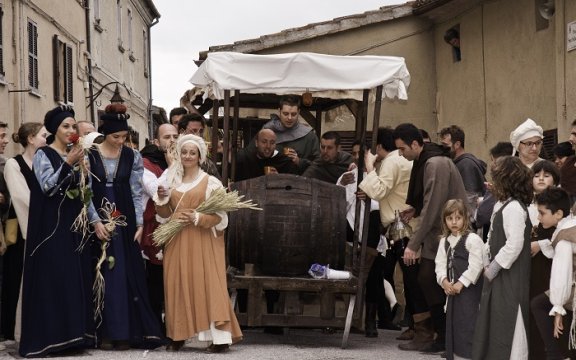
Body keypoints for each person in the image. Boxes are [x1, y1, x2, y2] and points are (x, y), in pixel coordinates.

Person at [19, 105, 96, 357]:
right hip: (52, 228)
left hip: (75, 227)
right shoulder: (44, 154)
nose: (71, 130)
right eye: (66, 126)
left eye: (74, 126)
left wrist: (96, 221)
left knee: (74, 278)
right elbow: (48, 187)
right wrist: (69, 164)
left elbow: (85, 195)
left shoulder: (77, 155)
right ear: (54, 129)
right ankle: (52, 338)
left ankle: (74, 337)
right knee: (55, 279)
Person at [154, 134, 242, 353]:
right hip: (176, 240)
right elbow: (164, 215)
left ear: (200, 156)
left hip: (203, 241)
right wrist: (162, 198)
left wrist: (197, 218)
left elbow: (221, 219)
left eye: (193, 152)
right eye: (184, 152)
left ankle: (219, 338)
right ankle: (177, 335)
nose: (187, 156)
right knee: (177, 284)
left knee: (208, 285)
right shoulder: (171, 180)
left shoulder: (211, 183)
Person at [89, 103, 163, 350]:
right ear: (104, 133)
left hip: (124, 218)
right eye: (115, 137)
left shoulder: (133, 156)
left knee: (122, 274)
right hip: (97, 215)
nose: (121, 141)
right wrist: (94, 220)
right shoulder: (89, 154)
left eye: (124, 137)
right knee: (101, 273)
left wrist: (140, 222)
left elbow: (134, 191)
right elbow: (85, 192)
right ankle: (103, 331)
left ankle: (124, 331)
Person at [392, 123, 468, 353]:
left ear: (416, 144)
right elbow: (430, 203)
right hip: (441, 234)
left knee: (428, 279)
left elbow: (434, 206)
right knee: (427, 279)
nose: (401, 154)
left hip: (449, 234)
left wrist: (413, 244)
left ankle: (442, 337)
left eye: (403, 149)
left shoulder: (434, 163)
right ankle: (438, 335)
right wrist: (415, 210)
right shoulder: (430, 160)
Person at [472, 156, 533, 360]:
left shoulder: (514, 207)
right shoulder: (503, 204)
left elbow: (514, 244)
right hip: (500, 274)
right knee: (498, 319)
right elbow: (492, 239)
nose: (491, 182)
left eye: (495, 178)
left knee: (510, 321)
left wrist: (492, 268)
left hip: (510, 276)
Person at [358, 128, 418, 335]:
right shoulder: (401, 160)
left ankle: (419, 326)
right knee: (409, 276)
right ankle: (416, 325)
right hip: (404, 222)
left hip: (401, 224)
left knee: (410, 277)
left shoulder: (392, 161)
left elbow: (377, 191)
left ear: (379, 147)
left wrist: (368, 166)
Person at [3, 123, 47, 342]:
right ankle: (15, 330)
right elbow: (21, 197)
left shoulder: (42, 163)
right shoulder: (14, 163)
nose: (46, 139)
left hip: (41, 229)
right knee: (18, 279)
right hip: (24, 230)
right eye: (43, 135)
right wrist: (45, 212)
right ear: (30, 138)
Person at [139, 123, 179, 334]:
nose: (171, 140)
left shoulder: (186, 160)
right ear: (156, 141)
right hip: (154, 229)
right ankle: (154, 328)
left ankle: (175, 327)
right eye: (166, 137)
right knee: (156, 279)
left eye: (174, 136)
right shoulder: (145, 163)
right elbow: (157, 191)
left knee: (175, 280)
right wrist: (172, 168)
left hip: (178, 227)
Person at [435, 199, 483, 360]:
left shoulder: (472, 239)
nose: (454, 222)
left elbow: (476, 265)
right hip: (452, 292)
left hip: (469, 291)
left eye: (458, 218)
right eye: (450, 218)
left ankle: (470, 356)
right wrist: (444, 282)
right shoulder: (444, 241)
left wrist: (461, 283)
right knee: (454, 325)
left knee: (468, 324)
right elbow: (439, 265)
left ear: (465, 218)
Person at [530, 187, 574, 360]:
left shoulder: (564, 237)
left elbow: (561, 274)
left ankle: (556, 354)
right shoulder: (569, 225)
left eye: (542, 213)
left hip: (570, 289)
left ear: (558, 214)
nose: (539, 217)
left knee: (539, 304)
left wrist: (558, 307)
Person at [260, 95, 320, 174]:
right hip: (271, 183)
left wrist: (299, 161)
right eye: (285, 113)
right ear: (279, 111)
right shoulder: (267, 132)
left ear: (299, 112)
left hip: (300, 184)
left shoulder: (310, 137)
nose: (289, 118)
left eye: (294, 114)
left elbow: (319, 166)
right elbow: (255, 159)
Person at [439, 125, 487, 214]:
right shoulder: (457, 163)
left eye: (445, 145)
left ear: (457, 144)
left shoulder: (466, 165)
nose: (442, 148)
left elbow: (469, 200)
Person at [475, 142, 514, 241]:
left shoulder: (498, 184)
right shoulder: (521, 179)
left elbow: (483, 215)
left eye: (493, 160)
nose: (491, 164)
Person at [176, 113, 221, 179]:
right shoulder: (173, 157)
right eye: (194, 131)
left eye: (201, 131)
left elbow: (218, 186)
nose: (198, 135)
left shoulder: (206, 161)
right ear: (182, 132)